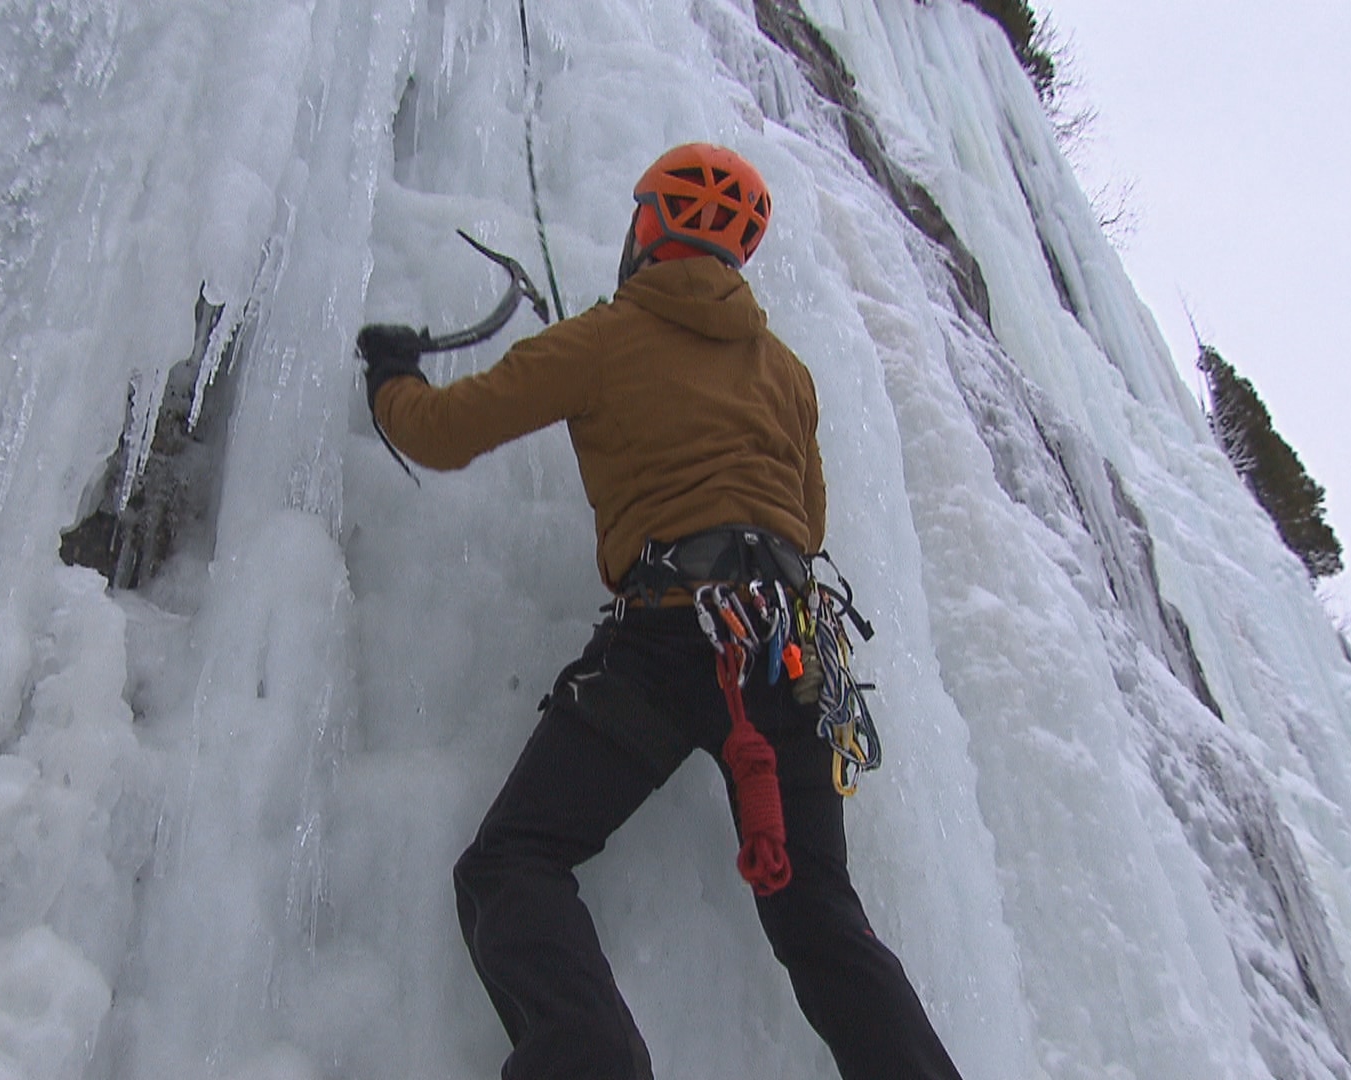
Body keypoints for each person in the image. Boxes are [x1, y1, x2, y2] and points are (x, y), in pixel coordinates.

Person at [358, 143, 964, 1080]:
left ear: (646, 228)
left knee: (511, 863)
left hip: (674, 640)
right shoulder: (786, 371)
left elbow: (442, 433)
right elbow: (806, 520)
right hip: (793, 656)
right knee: (818, 918)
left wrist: (389, 376)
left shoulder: (600, 338)